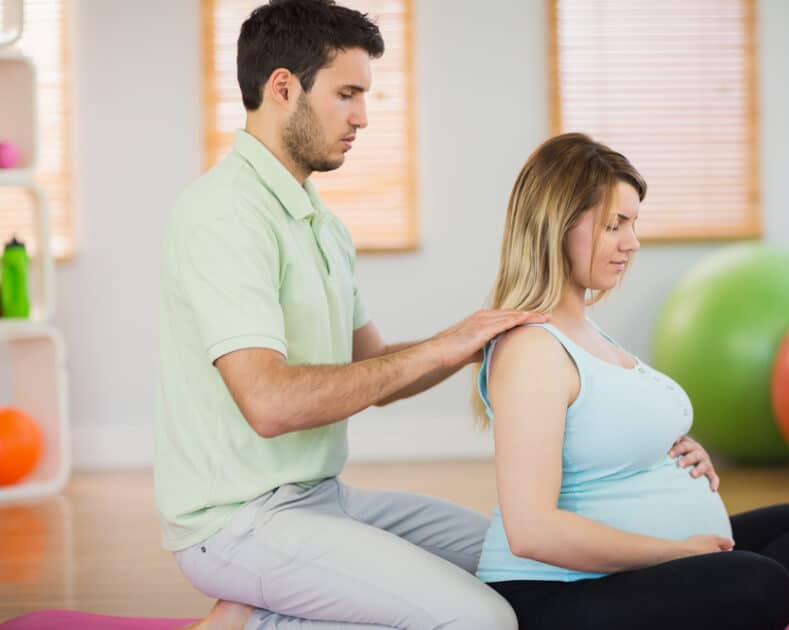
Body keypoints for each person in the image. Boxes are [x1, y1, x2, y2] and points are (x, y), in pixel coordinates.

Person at [155, 1, 541, 628]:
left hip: (321, 498)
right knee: (481, 622)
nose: (362, 117)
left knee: (523, 564)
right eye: (348, 94)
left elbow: (373, 372)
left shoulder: (319, 222)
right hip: (236, 522)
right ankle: (256, 621)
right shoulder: (223, 216)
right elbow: (270, 404)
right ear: (284, 88)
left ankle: (261, 608)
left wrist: (470, 339)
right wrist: (441, 350)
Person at [473, 132, 789, 630]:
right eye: (613, 225)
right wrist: (676, 553)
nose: (632, 243)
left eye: (633, 223)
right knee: (759, 582)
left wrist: (676, 449)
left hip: (627, 576)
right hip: (553, 593)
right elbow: (532, 531)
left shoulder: (584, 327)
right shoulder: (530, 349)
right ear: (556, 226)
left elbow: (605, 428)